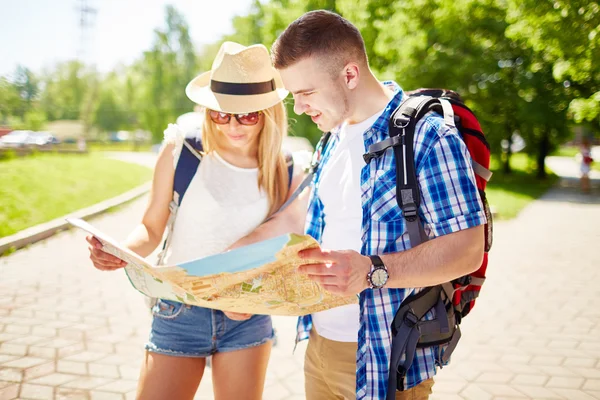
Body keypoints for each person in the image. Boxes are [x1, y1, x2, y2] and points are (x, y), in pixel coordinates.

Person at [269, 10, 486, 400]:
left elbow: (468, 249)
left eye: (306, 93)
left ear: (349, 75)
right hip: (318, 345)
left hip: (386, 356)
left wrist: (372, 271)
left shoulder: (428, 137)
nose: (298, 108)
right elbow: (312, 222)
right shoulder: (331, 138)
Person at [84, 41, 300, 400]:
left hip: (245, 315)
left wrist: (255, 296)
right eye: (221, 113)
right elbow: (151, 228)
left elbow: (281, 248)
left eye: (247, 115)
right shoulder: (181, 151)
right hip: (178, 312)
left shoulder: (284, 167)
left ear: (268, 112)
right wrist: (122, 250)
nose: (232, 125)